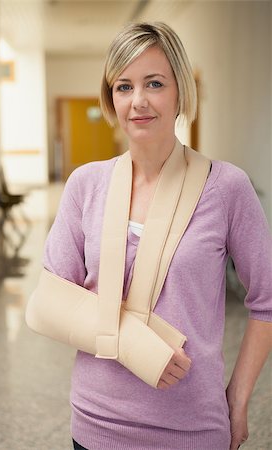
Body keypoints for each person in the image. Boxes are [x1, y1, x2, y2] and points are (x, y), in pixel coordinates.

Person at [33, 22, 271, 450]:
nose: (138, 101)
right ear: (111, 98)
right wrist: (134, 345)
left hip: (192, 429)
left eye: (154, 83)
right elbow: (49, 302)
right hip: (95, 425)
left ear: (180, 90)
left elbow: (267, 302)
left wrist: (238, 399)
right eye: (123, 86)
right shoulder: (86, 185)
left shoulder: (228, 188)